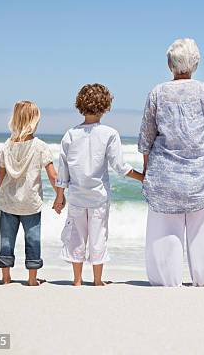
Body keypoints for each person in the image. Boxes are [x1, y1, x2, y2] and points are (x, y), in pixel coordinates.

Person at [138, 38, 204, 287]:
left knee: (166, 232)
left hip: (165, 175)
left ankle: (168, 281)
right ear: (195, 63)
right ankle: (201, 279)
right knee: (201, 231)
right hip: (200, 175)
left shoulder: (157, 92)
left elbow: (146, 137)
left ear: (170, 64)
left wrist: (147, 171)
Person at [54, 83, 143, 286]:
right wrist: (143, 178)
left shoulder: (70, 134)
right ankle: (97, 280)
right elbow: (121, 167)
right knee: (98, 237)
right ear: (105, 107)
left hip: (76, 197)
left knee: (76, 237)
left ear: (80, 105)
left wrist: (59, 197)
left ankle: (77, 280)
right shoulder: (109, 134)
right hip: (99, 198)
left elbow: (62, 171)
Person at [0, 100, 61, 286]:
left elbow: (1, 177)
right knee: (32, 239)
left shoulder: (6, 146)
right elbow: (53, 176)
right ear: (34, 121)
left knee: (6, 239)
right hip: (31, 203)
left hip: (8, 202)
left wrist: (2, 195)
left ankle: (6, 277)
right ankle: (32, 279)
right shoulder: (40, 146)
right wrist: (60, 196)